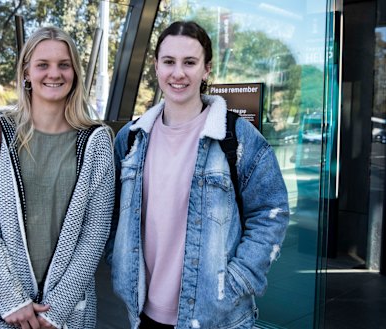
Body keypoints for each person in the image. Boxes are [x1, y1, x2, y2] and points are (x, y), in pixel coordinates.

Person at [106, 21, 290, 329]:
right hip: (142, 314)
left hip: (217, 317)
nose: (178, 73)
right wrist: (120, 263)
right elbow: (109, 215)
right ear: (156, 67)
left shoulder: (236, 137)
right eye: (169, 62)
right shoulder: (130, 138)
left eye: (189, 62)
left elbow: (271, 213)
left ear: (206, 69)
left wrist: (237, 280)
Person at [0, 26, 114, 329]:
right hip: (0, 309)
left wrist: (56, 310)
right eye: (42, 65)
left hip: (68, 312)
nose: (54, 74)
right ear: (26, 73)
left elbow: (95, 230)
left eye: (64, 64)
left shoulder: (97, 141)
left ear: (75, 73)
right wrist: (11, 299)